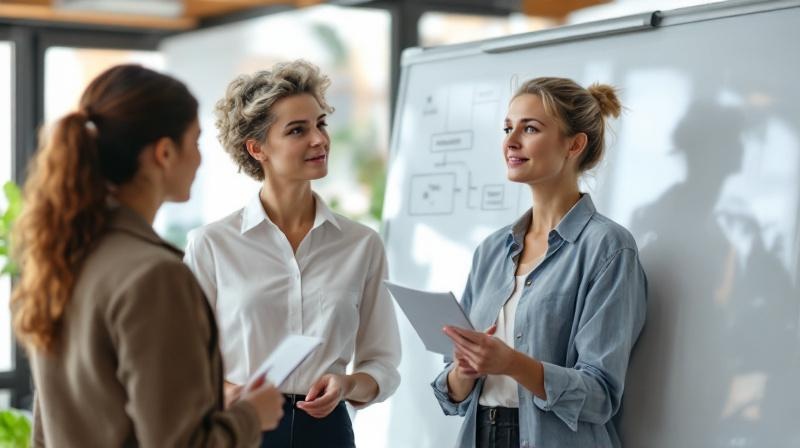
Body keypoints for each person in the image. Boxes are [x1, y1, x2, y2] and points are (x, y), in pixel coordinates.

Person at [10, 64, 284, 447]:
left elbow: (49, 428)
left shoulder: (62, 260)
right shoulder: (155, 275)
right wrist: (251, 415)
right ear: (165, 153)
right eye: (197, 142)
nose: (201, 160)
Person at [184, 59, 401, 448]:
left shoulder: (361, 244)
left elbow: (382, 363)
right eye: (297, 130)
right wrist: (236, 395)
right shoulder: (212, 245)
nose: (318, 139)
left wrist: (348, 383)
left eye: (320, 124)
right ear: (257, 148)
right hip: (241, 428)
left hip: (328, 432)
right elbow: (182, 364)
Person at [431, 77, 647, 448]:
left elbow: (601, 395)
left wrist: (511, 363)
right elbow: (450, 394)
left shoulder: (608, 248)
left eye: (529, 128)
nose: (511, 141)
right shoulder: (491, 250)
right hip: (481, 433)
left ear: (575, 144)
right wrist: (465, 370)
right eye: (507, 128)